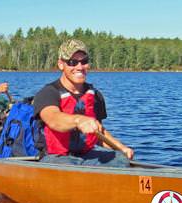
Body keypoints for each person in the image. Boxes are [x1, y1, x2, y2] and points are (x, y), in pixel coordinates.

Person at [32, 39, 134, 167]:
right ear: (61, 64)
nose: (79, 67)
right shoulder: (48, 93)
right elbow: (53, 118)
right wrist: (78, 121)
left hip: (88, 154)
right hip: (56, 157)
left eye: (84, 61)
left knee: (121, 160)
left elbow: (99, 132)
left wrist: (121, 148)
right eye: (72, 62)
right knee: (70, 170)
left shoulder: (95, 95)